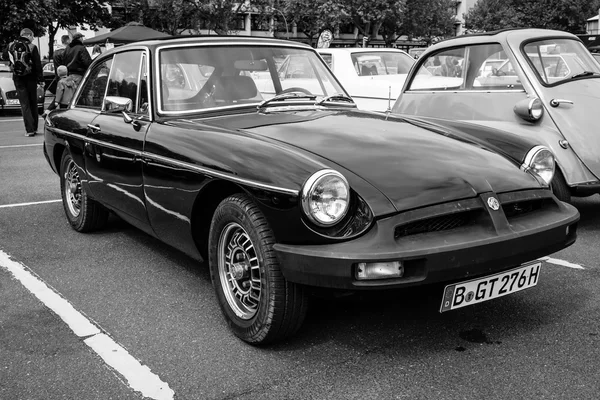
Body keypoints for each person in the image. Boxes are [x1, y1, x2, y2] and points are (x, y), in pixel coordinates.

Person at [2, 28, 44, 137]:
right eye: (32, 36)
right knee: (33, 102)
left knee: (24, 103)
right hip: (31, 77)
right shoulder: (32, 47)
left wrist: (12, 66)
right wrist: (41, 79)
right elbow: (37, 64)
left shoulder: (11, 45)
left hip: (18, 77)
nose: (33, 38)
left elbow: (5, 57)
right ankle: (34, 127)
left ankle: (29, 130)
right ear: (28, 35)